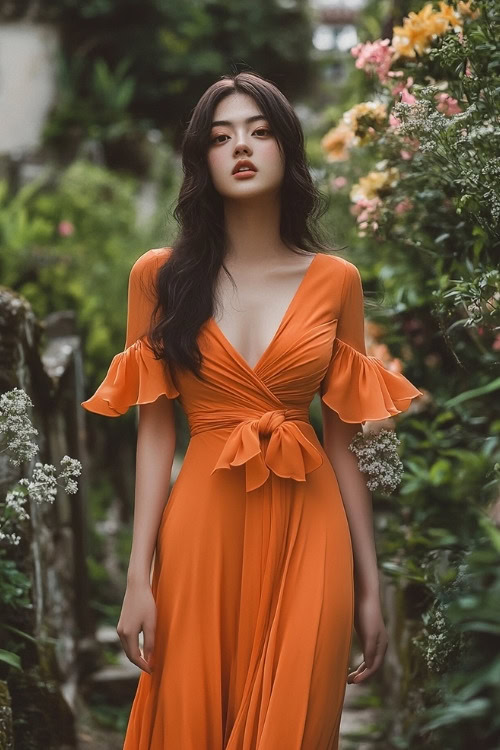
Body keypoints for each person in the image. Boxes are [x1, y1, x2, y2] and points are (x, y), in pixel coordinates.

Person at [81, 71, 423, 749]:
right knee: (189, 723)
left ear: (286, 150)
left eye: (259, 131)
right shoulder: (159, 276)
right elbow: (154, 432)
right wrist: (136, 577)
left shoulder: (336, 281)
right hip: (201, 527)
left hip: (311, 526)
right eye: (221, 136)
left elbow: (344, 441)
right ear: (202, 159)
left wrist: (368, 583)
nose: (241, 146)